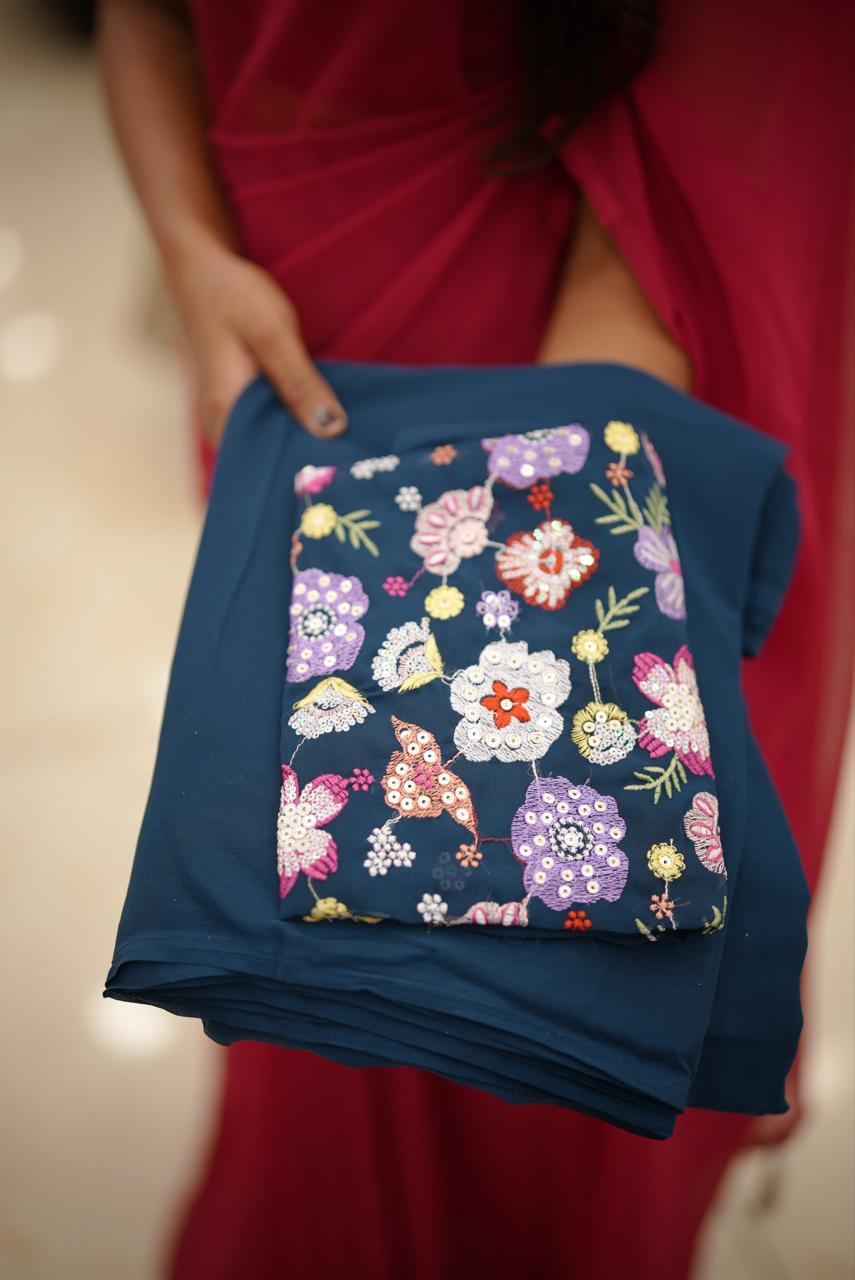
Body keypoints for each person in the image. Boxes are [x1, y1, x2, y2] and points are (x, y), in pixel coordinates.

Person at [96, 2, 854, 1276]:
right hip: (283, 327)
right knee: (309, 943)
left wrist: (552, 495)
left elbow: (744, 78)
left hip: (562, 352)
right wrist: (189, 253)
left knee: (532, 957)